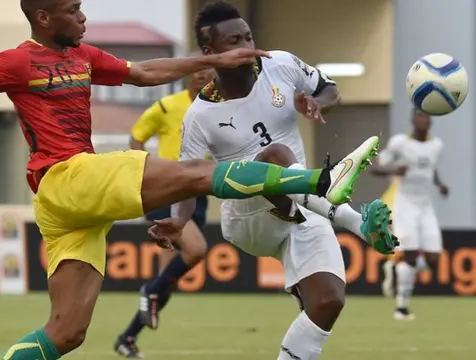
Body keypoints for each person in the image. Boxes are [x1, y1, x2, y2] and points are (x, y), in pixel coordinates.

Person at [0, 1, 368, 359]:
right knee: (193, 175)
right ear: (44, 17)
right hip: (68, 175)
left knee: (67, 333)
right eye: (73, 9)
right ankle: (321, 183)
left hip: (69, 209)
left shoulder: (84, 57)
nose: (85, 16)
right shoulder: (17, 61)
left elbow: (146, 72)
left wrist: (211, 58)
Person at [148, 3, 398, 360]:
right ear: (210, 52)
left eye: (248, 36)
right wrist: (180, 219)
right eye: (235, 40)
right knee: (275, 156)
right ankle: (353, 219)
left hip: (303, 203)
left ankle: (335, 203)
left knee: (326, 302)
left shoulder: (279, 64)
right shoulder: (200, 116)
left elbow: (329, 88)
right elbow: (188, 179)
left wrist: (316, 101)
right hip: (249, 216)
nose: (248, 45)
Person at [114, 65, 214, 358]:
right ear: (186, 76)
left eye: (208, 70)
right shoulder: (168, 106)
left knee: (167, 281)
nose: (202, 74)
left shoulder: (218, 106)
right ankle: (150, 291)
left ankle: (127, 338)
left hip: (198, 192)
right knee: (195, 250)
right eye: (197, 70)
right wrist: (143, 170)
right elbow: (138, 135)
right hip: (168, 188)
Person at [372, 109, 448, 321]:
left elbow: (430, 169)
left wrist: (439, 184)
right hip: (405, 204)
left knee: (434, 260)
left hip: (426, 206)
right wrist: (394, 170)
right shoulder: (400, 144)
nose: (423, 120)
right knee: (411, 254)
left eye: (426, 116)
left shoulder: (436, 145)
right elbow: (376, 168)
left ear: (431, 121)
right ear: (413, 119)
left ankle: (397, 268)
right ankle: (402, 308)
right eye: (420, 116)